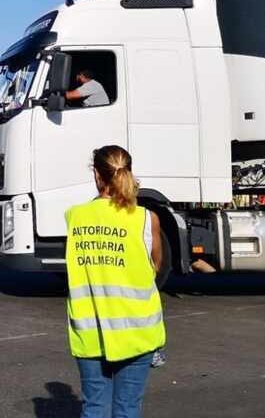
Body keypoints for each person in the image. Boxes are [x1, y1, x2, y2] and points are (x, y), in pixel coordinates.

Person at [65, 145, 165, 417]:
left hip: (90, 332)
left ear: (97, 175)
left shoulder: (74, 217)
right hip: (137, 331)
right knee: (127, 409)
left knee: (94, 407)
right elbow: (156, 266)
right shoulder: (146, 219)